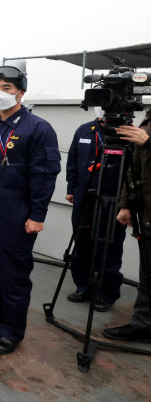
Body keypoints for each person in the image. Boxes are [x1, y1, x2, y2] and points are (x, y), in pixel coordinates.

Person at [0, 66, 61, 354]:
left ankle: (11, 331)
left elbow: (45, 175)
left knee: (13, 274)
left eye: (6, 87)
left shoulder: (38, 128)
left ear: (21, 91)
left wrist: (37, 215)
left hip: (16, 214)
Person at [65, 107, 125, 312]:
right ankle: (83, 286)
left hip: (112, 198)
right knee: (81, 242)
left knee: (109, 246)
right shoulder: (84, 130)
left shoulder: (125, 132)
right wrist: (71, 188)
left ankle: (106, 292)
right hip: (84, 194)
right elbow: (72, 161)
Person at [103, 111, 151, 342]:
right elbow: (134, 166)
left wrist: (149, 142)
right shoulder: (148, 118)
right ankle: (143, 324)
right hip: (147, 212)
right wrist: (125, 205)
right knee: (148, 273)